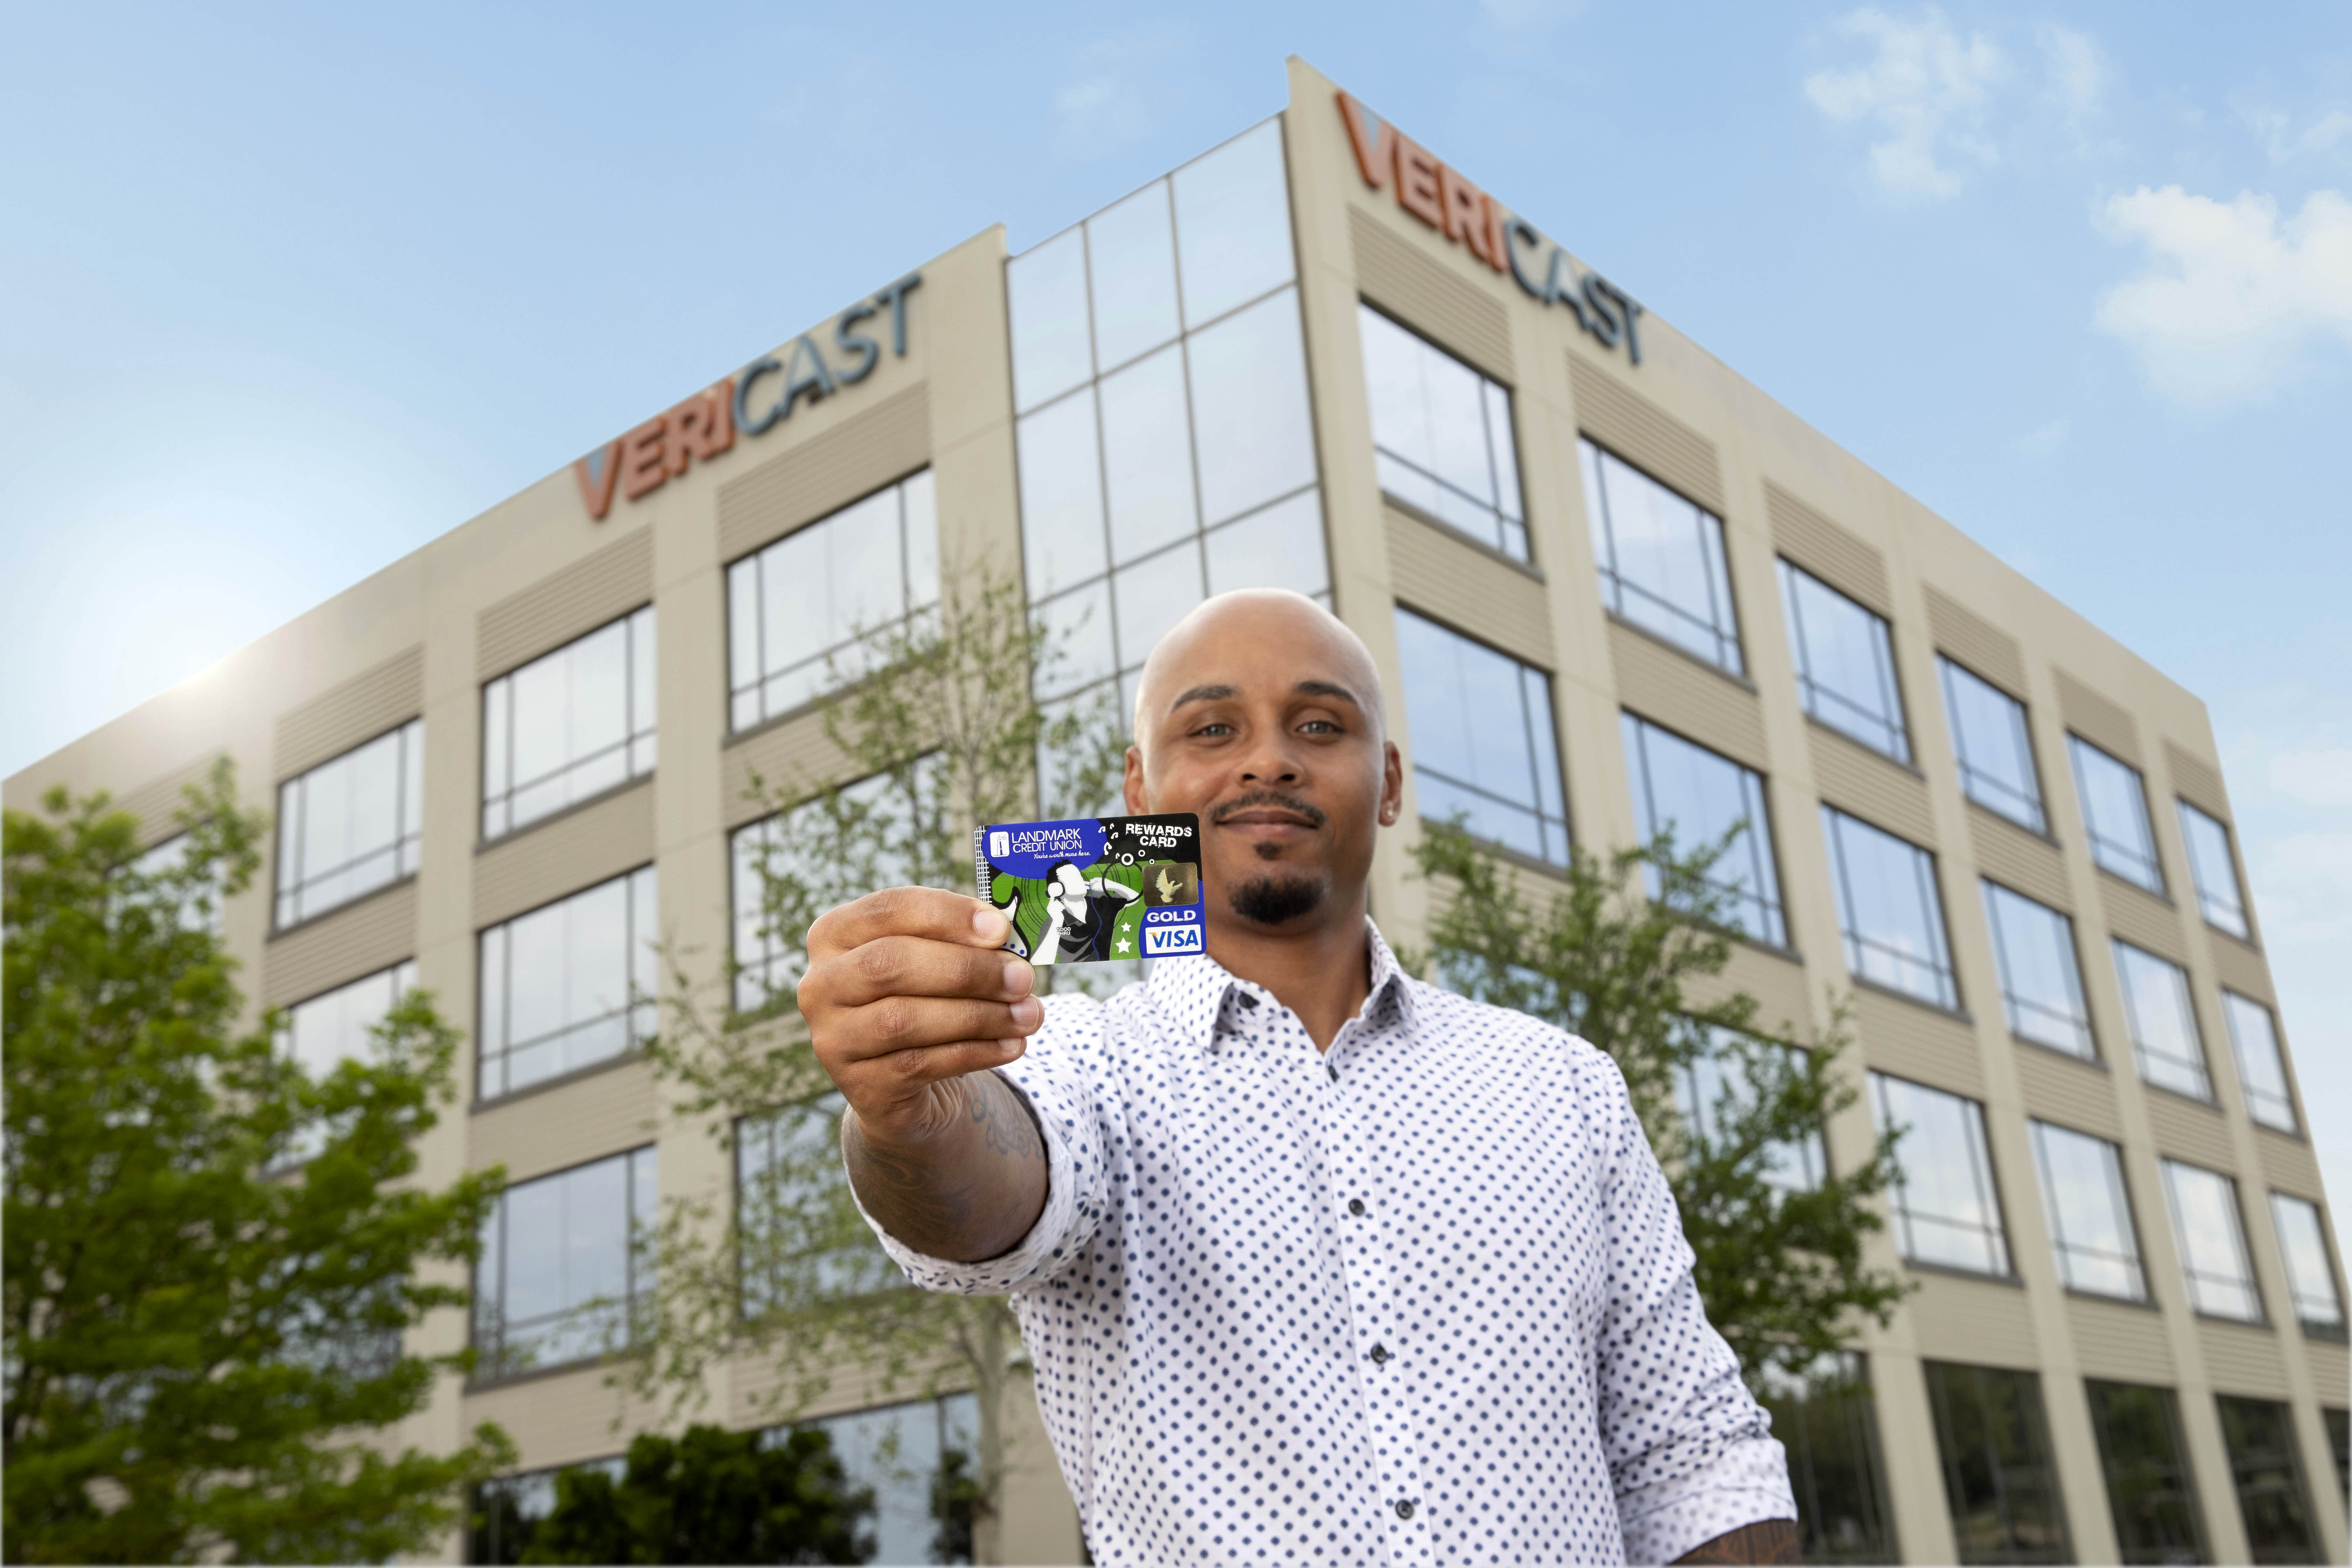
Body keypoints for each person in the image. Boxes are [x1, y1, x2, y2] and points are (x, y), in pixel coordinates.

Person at [797, 589, 1800, 1565]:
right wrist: (907, 1111)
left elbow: (1695, 1462)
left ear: (1390, 782)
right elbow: (985, 1192)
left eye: (1320, 726)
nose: (1270, 760)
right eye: (1213, 731)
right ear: (1139, 794)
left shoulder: (1566, 1087)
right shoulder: (1072, 1060)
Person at [1033, 859, 1140, 965]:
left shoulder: (1101, 902)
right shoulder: (1053, 923)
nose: (1079, 881)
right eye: (1072, 878)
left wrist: (1109, 885)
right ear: (1057, 889)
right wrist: (1057, 922)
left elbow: (1135, 899)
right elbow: (1038, 962)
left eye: (1078, 876)